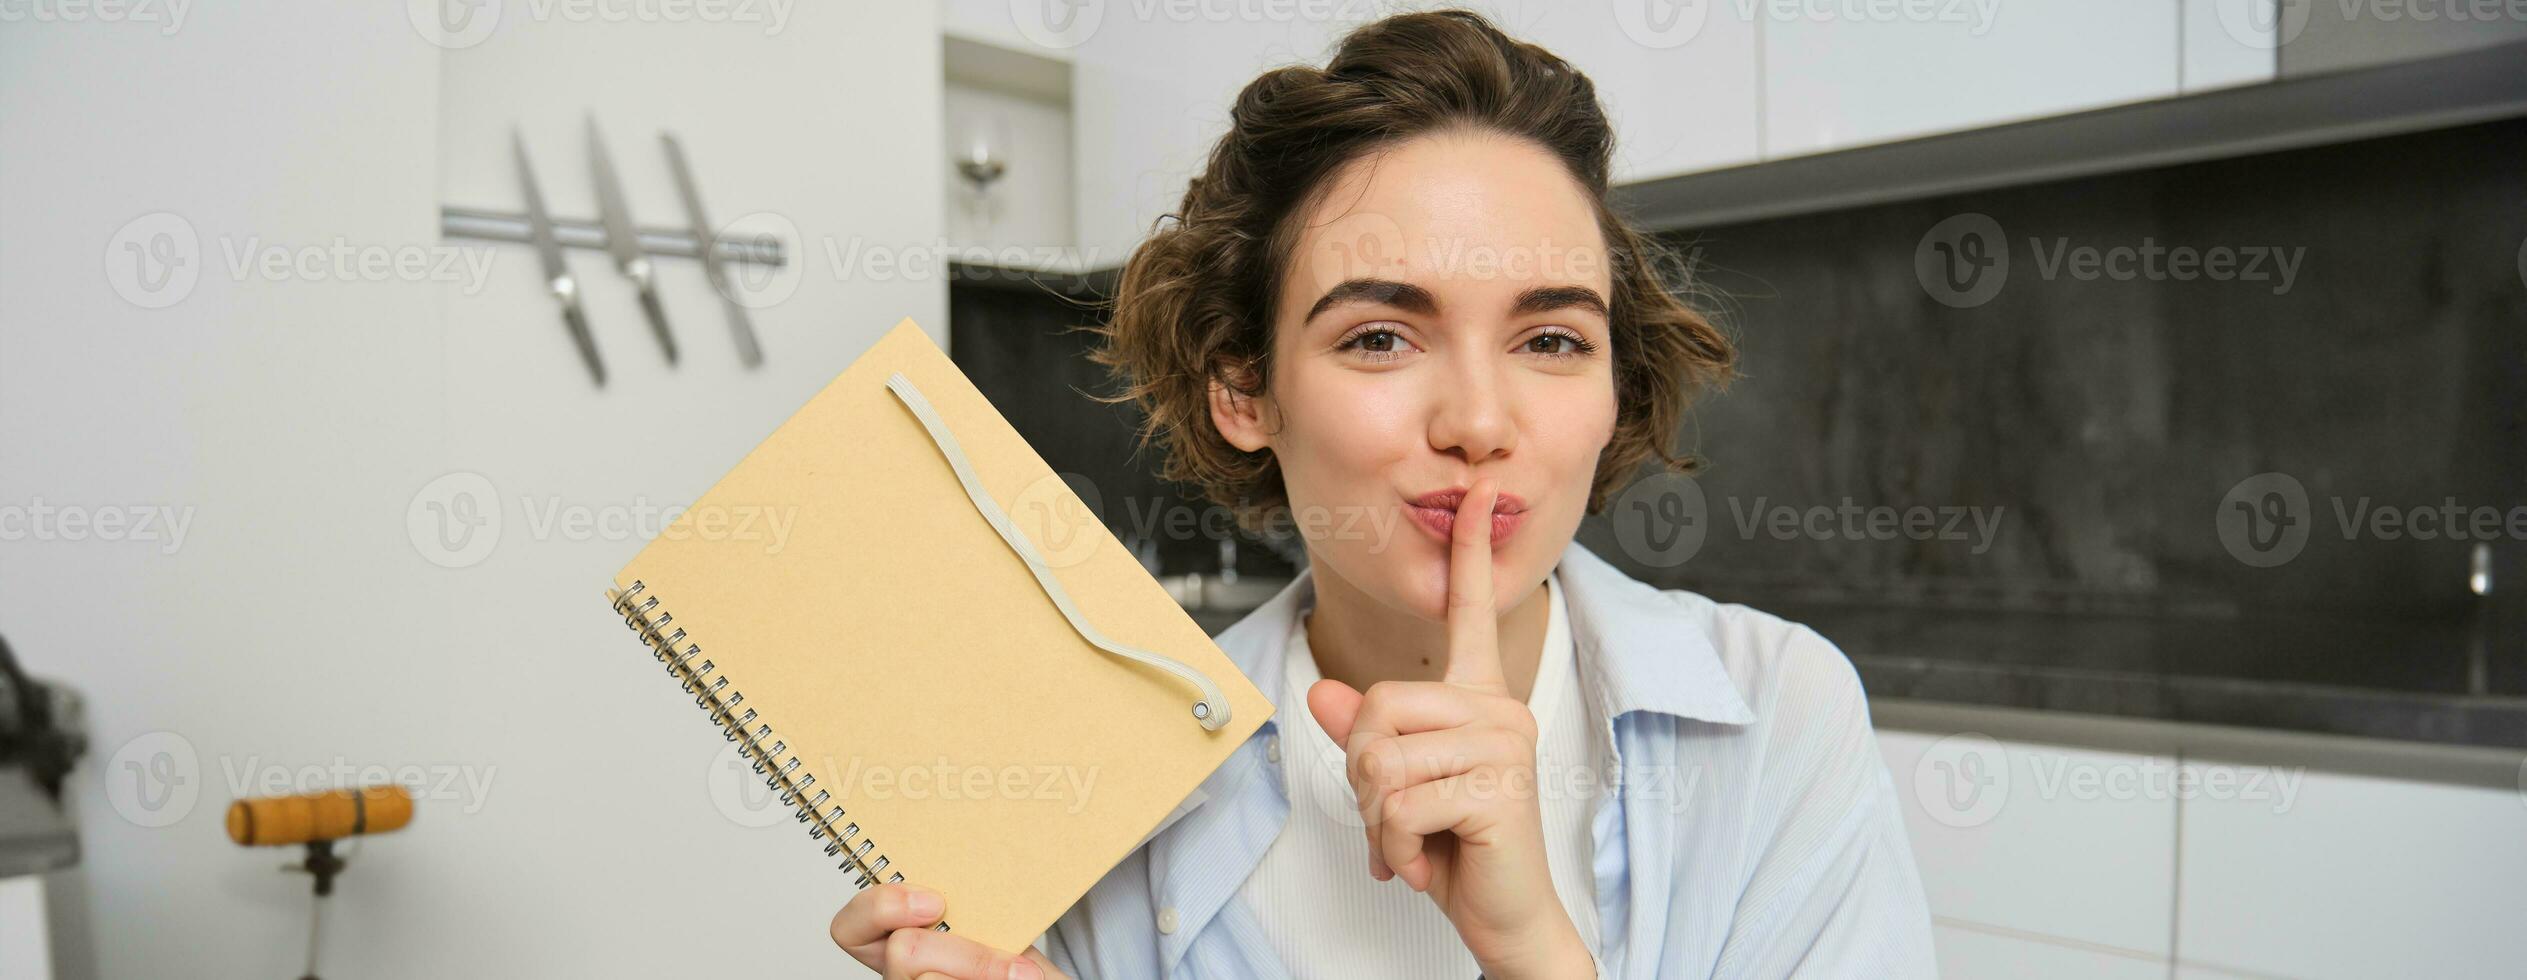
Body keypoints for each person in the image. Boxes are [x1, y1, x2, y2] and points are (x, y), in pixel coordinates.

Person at [831, 9, 1935, 978]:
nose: (1479, 423)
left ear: (1613, 387)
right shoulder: (1100, 799)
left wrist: (1536, 952)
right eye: (1379, 336)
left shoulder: (1776, 717)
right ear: (1244, 388)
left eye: (1551, 337)